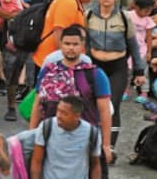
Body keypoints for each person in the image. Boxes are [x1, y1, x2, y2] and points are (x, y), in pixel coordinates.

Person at [30, 26, 113, 166]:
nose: (71, 48)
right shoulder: (49, 71)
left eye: (75, 44)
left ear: (82, 46)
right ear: (60, 45)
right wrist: (31, 135)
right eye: (67, 44)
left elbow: (105, 111)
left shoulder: (95, 74)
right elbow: (38, 105)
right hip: (51, 138)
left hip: (84, 140)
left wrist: (105, 145)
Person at [84, 0, 145, 148]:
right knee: (92, 103)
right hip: (96, 66)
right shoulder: (89, 16)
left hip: (118, 67)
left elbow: (133, 45)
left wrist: (139, 71)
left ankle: (110, 145)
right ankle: (93, 141)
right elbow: (86, 43)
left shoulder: (124, 18)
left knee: (112, 104)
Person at [30, 96, 103, 179]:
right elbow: (36, 162)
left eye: (64, 113)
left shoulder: (92, 133)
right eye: (58, 111)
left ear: (77, 116)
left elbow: (95, 165)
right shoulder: (46, 127)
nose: (58, 116)